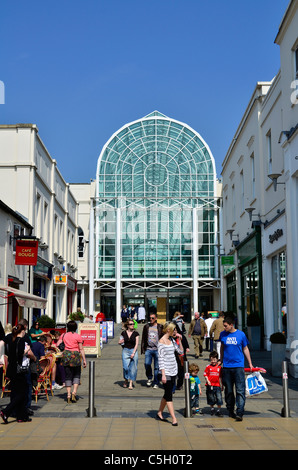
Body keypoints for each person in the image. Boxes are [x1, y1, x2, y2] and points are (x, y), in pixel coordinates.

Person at [219, 315, 253, 421]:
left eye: (225, 326)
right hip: (227, 367)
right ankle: (230, 410)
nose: (224, 328)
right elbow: (222, 347)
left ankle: (240, 412)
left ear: (231, 325)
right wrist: (221, 359)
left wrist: (250, 363)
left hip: (238, 366)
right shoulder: (222, 334)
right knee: (228, 391)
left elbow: (245, 348)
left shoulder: (241, 334)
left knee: (240, 390)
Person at [1, 324, 36, 424]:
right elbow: (21, 354)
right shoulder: (22, 341)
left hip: (11, 369)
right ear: (23, 331)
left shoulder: (10, 340)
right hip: (20, 370)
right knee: (22, 393)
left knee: (16, 392)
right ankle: (5, 411)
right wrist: (27, 351)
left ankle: (21, 416)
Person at [156, 322, 183, 426]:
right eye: (174, 330)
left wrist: (179, 340)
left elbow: (180, 352)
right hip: (165, 371)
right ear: (168, 330)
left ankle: (159, 412)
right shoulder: (161, 342)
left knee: (167, 393)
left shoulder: (172, 340)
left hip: (173, 370)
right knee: (169, 395)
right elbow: (161, 359)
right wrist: (163, 374)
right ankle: (174, 418)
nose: (175, 332)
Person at [57, 320, 87, 404]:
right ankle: (74, 392)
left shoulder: (63, 335)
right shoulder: (78, 336)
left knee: (68, 375)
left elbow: (58, 344)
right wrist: (84, 360)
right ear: (76, 328)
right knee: (76, 374)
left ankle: (68, 395)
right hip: (76, 356)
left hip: (66, 355)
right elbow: (81, 349)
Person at [141, 313, 163, 388]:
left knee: (156, 367)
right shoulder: (146, 326)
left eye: (153, 318)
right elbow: (143, 338)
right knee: (147, 364)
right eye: (150, 318)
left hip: (157, 349)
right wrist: (143, 348)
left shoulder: (160, 326)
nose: (151, 319)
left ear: (156, 318)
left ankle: (156, 382)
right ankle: (149, 378)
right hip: (148, 349)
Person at [118, 319, 139, 390]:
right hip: (125, 351)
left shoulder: (136, 333)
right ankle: (126, 379)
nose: (132, 325)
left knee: (133, 368)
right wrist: (120, 342)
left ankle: (130, 383)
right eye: (131, 324)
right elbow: (120, 341)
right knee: (125, 367)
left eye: (133, 324)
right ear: (127, 325)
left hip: (133, 350)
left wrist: (133, 353)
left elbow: (136, 344)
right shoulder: (123, 333)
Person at [204, 351, 223, 416]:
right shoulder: (208, 367)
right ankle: (212, 409)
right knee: (211, 397)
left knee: (219, 398)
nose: (213, 361)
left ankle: (218, 410)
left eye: (214, 360)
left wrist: (222, 385)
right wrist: (207, 380)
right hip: (210, 385)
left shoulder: (219, 367)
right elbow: (205, 374)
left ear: (217, 359)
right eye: (211, 360)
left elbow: (220, 377)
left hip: (217, 385)